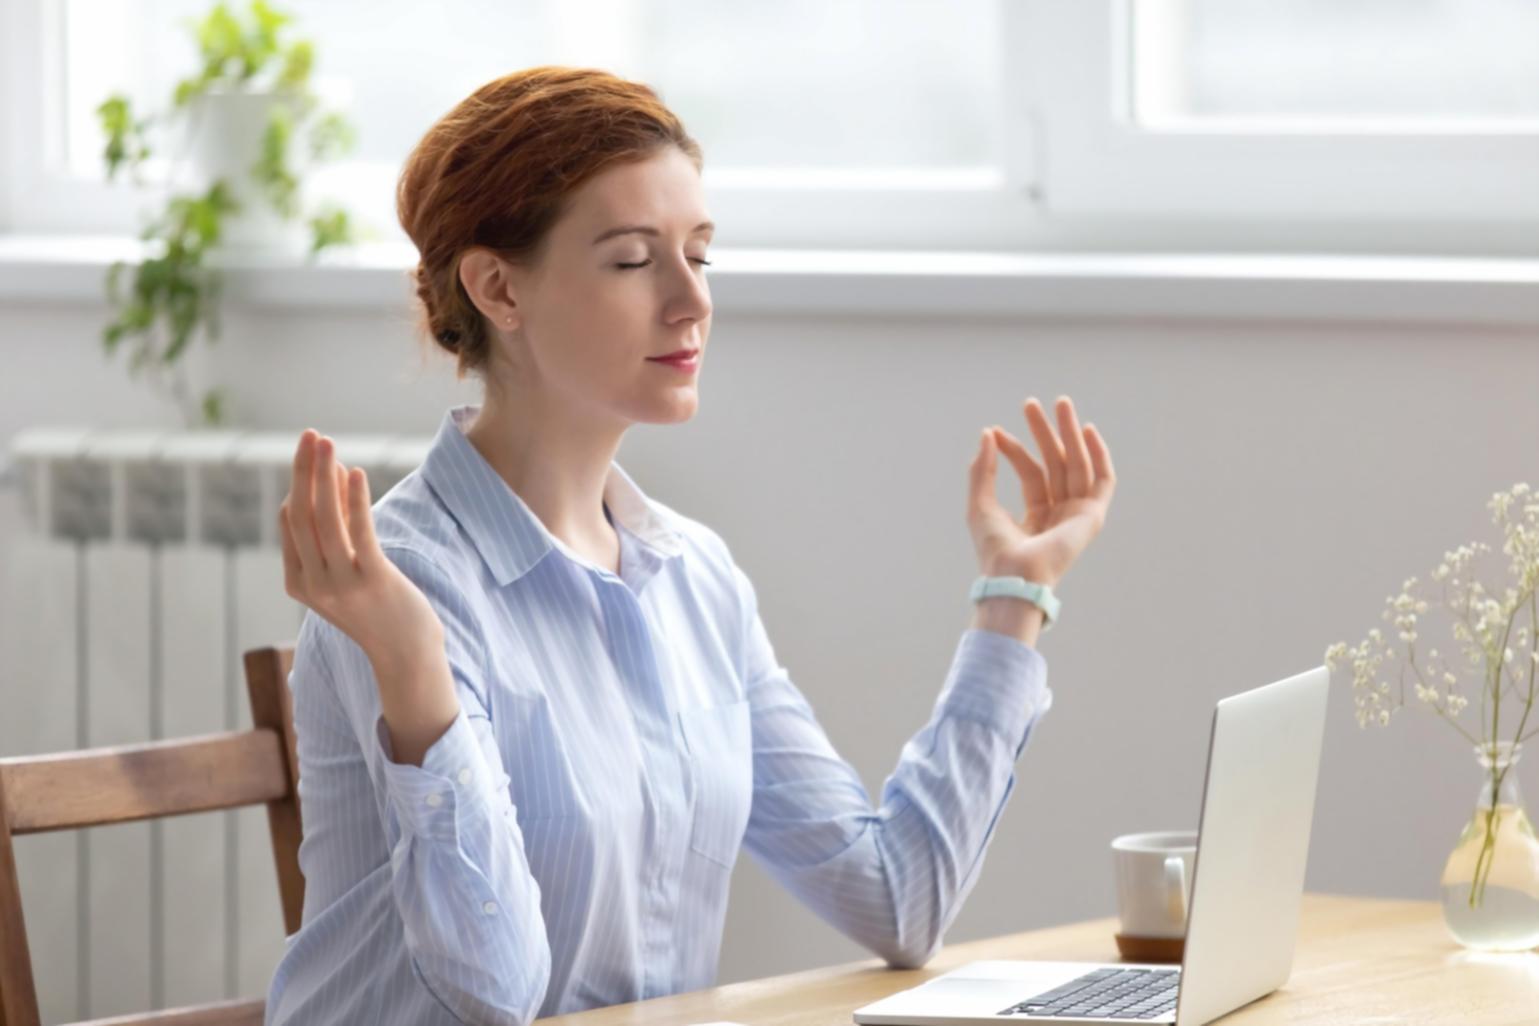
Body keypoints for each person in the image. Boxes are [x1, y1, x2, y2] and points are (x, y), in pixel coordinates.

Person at [264, 65, 1116, 1026]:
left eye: (699, 256)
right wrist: (415, 670)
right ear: (498, 288)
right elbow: (495, 997)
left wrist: (1013, 595)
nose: (690, 302)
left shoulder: (693, 577)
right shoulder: (404, 584)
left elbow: (897, 897)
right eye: (634, 261)